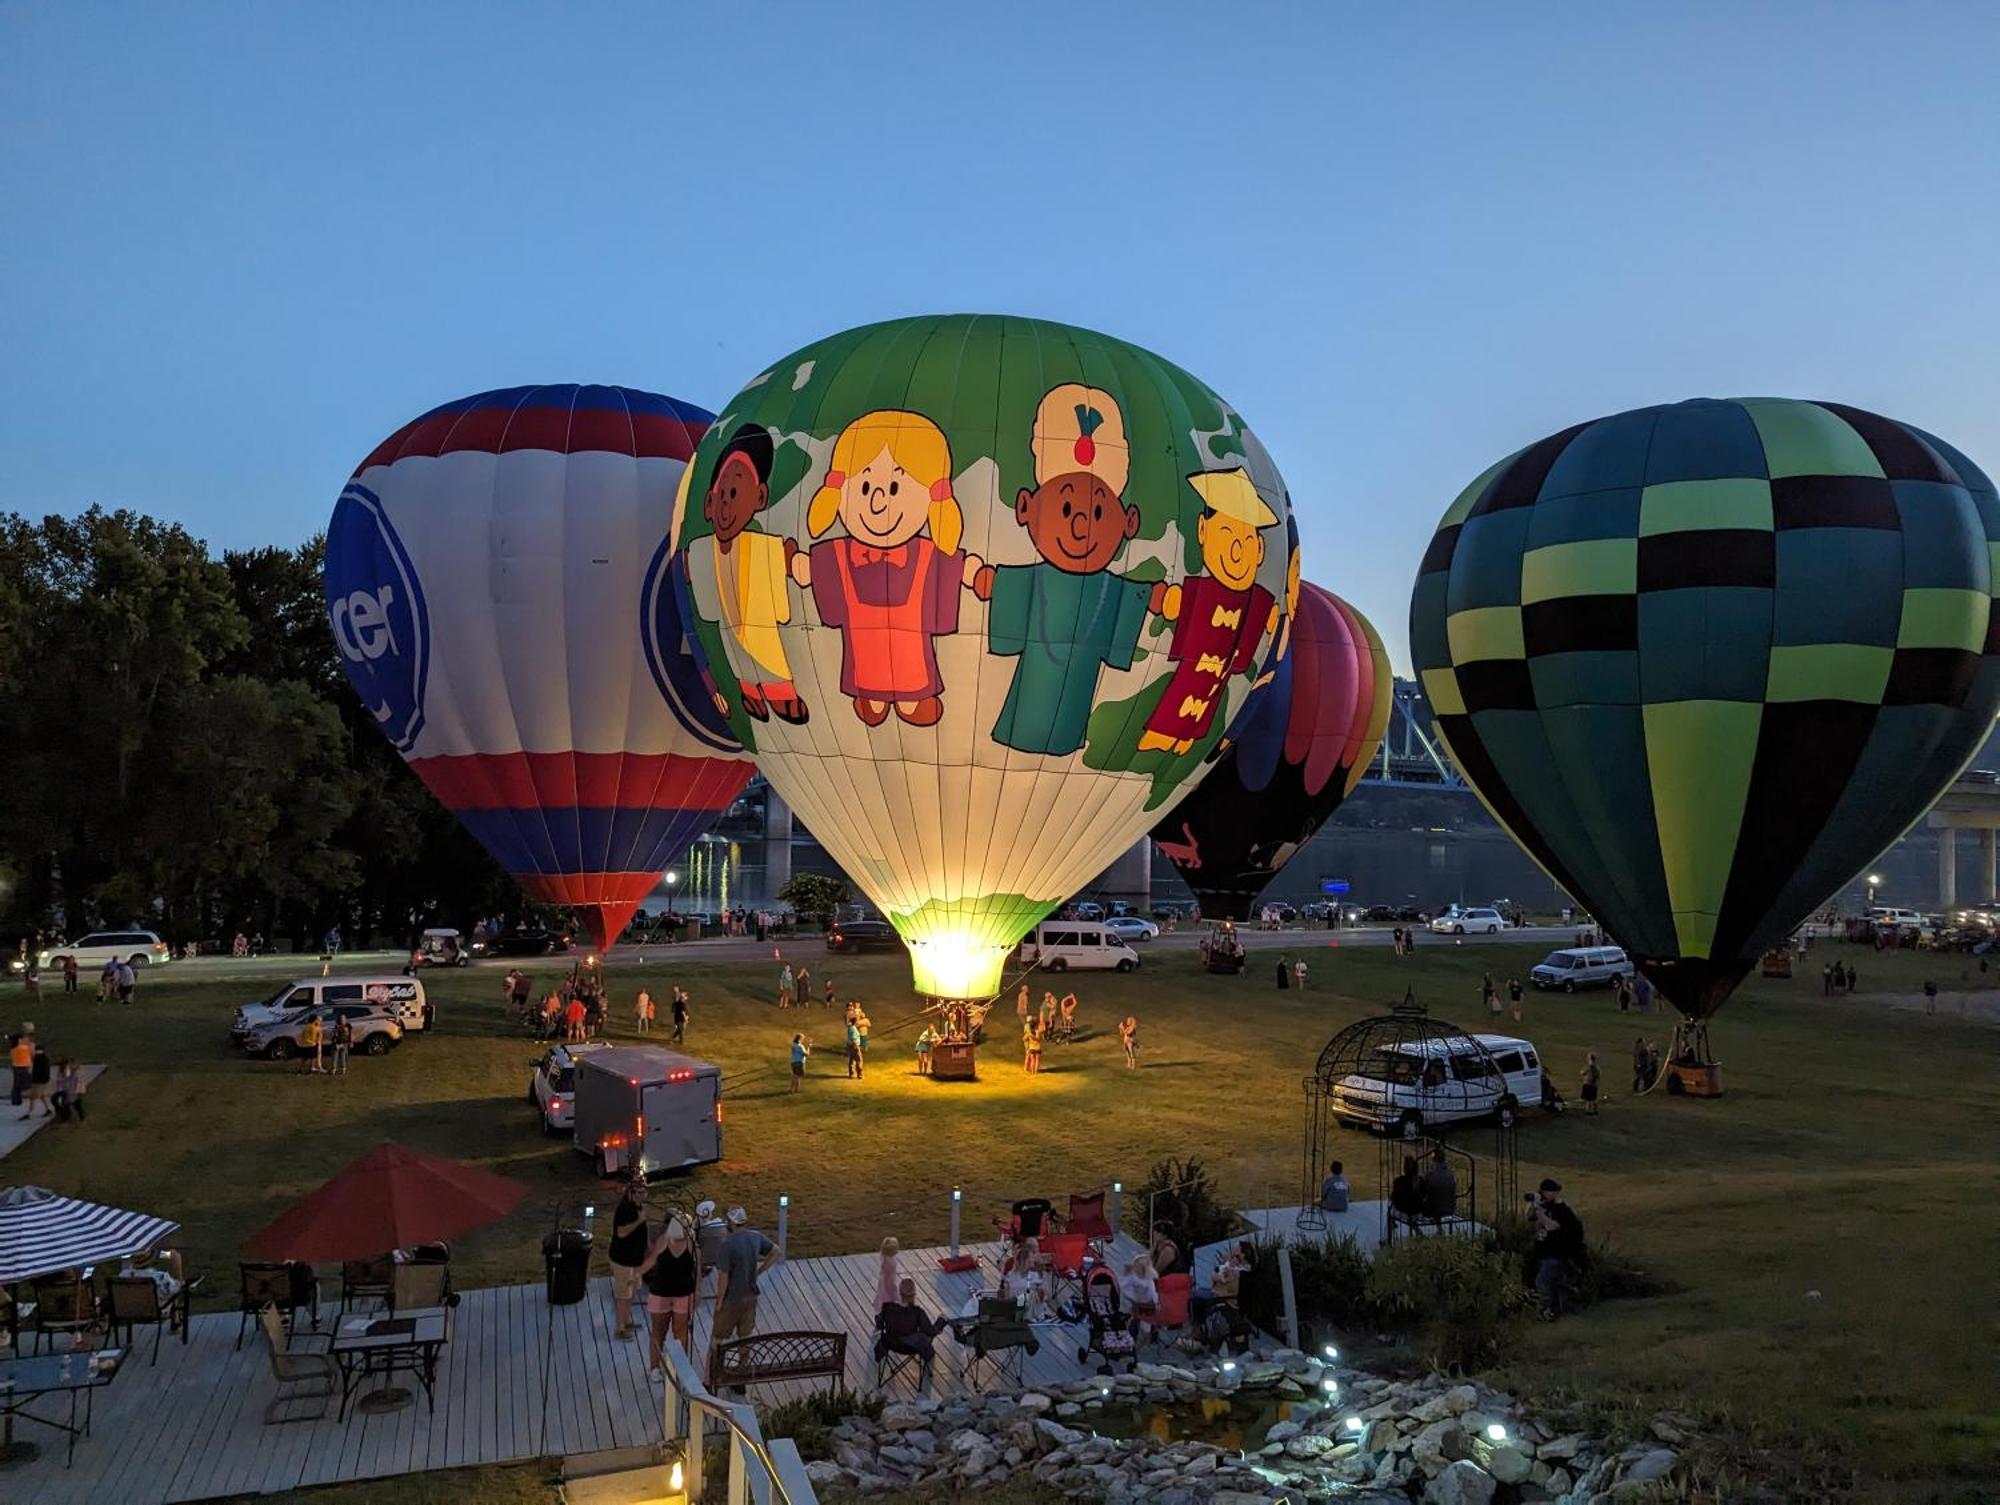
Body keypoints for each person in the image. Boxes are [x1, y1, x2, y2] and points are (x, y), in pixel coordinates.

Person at [710, 1207, 781, 1387]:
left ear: (731, 1223)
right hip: (751, 1298)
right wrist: (760, 1271)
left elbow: (723, 1277)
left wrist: (719, 1301)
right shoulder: (755, 1237)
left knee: (717, 1339)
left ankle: (713, 1376)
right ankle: (741, 1377)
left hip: (732, 1300)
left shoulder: (727, 1245)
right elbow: (776, 1251)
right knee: (745, 1338)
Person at [637, 1216, 698, 1374]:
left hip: (683, 1294)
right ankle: (655, 1368)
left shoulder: (692, 1245)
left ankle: (680, 1368)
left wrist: (697, 1293)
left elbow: (697, 1273)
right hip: (661, 1293)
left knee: (681, 1334)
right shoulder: (664, 1241)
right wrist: (636, 1274)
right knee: (659, 1332)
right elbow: (651, 1261)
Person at [1528, 1178, 1586, 1319]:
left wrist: (1540, 1213)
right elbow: (1529, 1218)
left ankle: (1545, 1312)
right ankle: (1553, 1312)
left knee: (1541, 1282)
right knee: (1552, 1286)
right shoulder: (1543, 1207)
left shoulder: (1562, 1210)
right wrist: (1534, 1205)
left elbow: (1552, 1226)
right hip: (1542, 1253)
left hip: (1556, 1255)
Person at [875, 1277, 947, 1387]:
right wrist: (940, 1325)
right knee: (926, 1336)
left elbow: (879, 1324)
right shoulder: (917, 1312)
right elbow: (929, 1331)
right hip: (911, 1347)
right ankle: (930, 1352)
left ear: (899, 1292)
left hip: (890, 1343)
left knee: (920, 1337)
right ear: (914, 1294)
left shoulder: (887, 1307)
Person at [608, 1173, 649, 1341]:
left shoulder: (637, 1206)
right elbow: (621, 1232)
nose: (642, 1195)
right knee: (623, 1295)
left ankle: (626, 1321)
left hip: (635, 1259)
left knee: (632, 1292)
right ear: (630, 1192)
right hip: (622, 1259)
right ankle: (620, 1328)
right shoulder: (625, 1209)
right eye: (638, 1192)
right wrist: (639, 1221)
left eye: (643, 1192)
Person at [1119, 1254, 1159, 1340]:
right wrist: (1126, 1274)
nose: (1135, 1268)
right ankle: (1150, 1329)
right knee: (1126, 1301)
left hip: (1143, 1304)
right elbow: (1124, 1286)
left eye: (1137, 1267)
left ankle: (1134, 1329)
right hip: (1140, 1303)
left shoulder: (1148, 1281)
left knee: (1128, 1304)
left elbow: (1153, 1294)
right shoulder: (1136, 1277)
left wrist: (1156, 1302)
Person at [1421, 1147, 1457, 1222]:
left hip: (1433, 1210)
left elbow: (1422, 1191)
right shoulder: (1451, 1174)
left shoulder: (1430, 1175)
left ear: (1434, 1160)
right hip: (1450, 1208)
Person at [1390, 1154, 1424, 1232]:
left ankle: (1390, 1232)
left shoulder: (1398, 1181)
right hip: (1418, 1209)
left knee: (1391, 1209)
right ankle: (1416, 1229)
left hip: (1405, 1209)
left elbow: (1393, 1197)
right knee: (1411, 1210)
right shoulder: (1421, 1181)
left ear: (1404, 1168)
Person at [22, 1037, 53, 1119]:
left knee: (32, 1097)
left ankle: (28, 1113)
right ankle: (48, 1110)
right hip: (44, 1080)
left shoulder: (37, 1058)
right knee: (41, 1096)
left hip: (38, 1081)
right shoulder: (45, 1058)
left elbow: (35, 1069)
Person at [52, 1057, 84, 1122]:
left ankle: (68, 1116)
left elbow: (66, 1080)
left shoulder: (67, 1069)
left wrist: (63, 1089)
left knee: (71, 1102)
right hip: (67, 1090)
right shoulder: (64, 1070)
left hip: (69, 1090)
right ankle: (67, 1116)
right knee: (70, 1103)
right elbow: (60, 1081)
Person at [875, 1236, 901, 1312]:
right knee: (889, 1296)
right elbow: (891, 1280)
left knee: (883, 1294)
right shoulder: (891, 1262)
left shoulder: (885, 1258)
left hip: (883, 1280)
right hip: (889, 1281)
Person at [8, 1030, 30, 1109]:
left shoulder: (13, 1048)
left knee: (16, 1085)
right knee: (20, 1084)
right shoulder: (22, 1047)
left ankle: (16, 1100)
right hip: (22, 1067)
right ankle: (17, 1100)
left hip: (16, 1067)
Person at [1580, 1051, 1600, 1115]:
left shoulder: (1589, 1066)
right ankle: (1595, 1110)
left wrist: (1583, 1072)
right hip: (1594, 1084)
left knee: (1588, 1099)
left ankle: (1588, 1110)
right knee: (1594, 1098)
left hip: (1588, 1083)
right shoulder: (1597, 1067)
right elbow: (1598, 1075)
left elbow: (1582, 1072)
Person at [845, 1012, 865, 1079]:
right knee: (859, 1060)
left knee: (852, 1060)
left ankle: (852, 1074)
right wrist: (857, 1046)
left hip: (850, 1046)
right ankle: (860, 1074)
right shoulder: (853, 1029)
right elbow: (853, 1038)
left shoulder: (850, 1028)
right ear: (855, 1022)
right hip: (854, 1046)